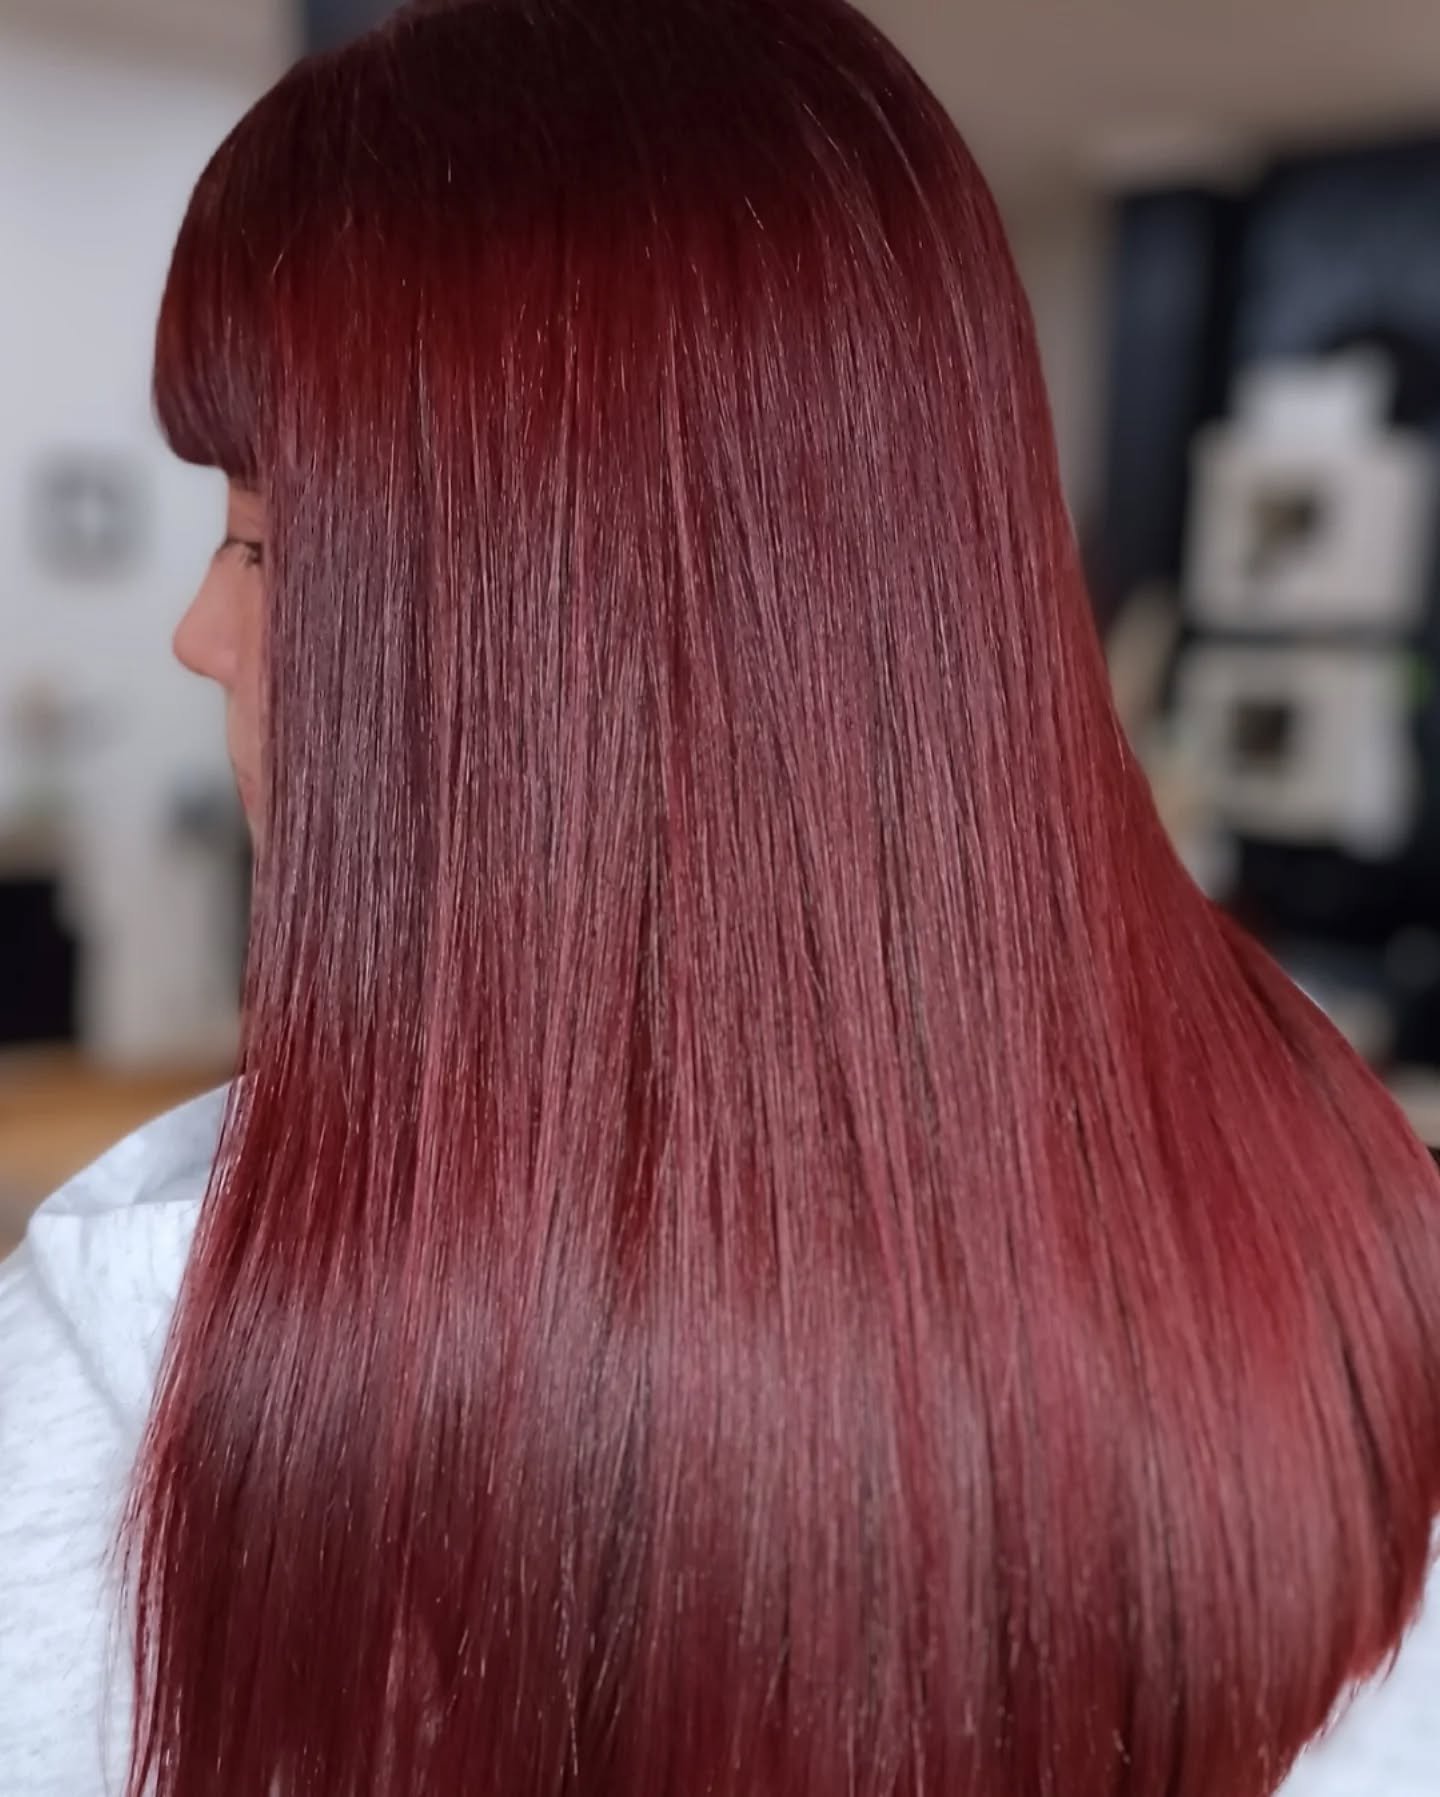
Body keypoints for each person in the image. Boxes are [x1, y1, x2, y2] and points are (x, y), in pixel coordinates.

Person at [3, 1, 1440, 1792]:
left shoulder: (148, 1377)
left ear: (533, 632)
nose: (200, 631)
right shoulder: (1356, 1257)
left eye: (266, 541)